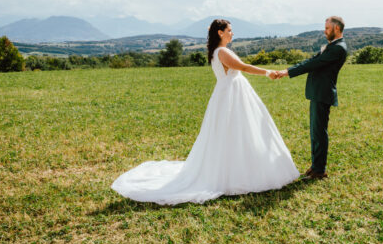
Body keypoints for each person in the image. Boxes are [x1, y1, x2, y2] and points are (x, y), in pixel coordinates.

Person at [111, 19, 300, 205]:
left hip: (232, 93)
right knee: (236, 130)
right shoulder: (222, 52)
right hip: (231, 96)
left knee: (238, 131)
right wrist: (268, 72)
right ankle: (234, 173)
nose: (232, 33)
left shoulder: (218, 51)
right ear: (220, 32)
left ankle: (238, 167)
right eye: (230, 30)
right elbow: (242, 67)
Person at [274, 16, 348, 179]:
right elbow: (313, 60)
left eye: (327, 28)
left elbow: (313, 64)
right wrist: (289, 69)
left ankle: (319, 170)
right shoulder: (332, 46)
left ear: (337, 29)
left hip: (322, 93)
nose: (324, 31)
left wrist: (287, 72)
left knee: (319, 132)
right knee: (316, 132)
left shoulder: (338, 48)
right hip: (318, 93)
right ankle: (316, 166)